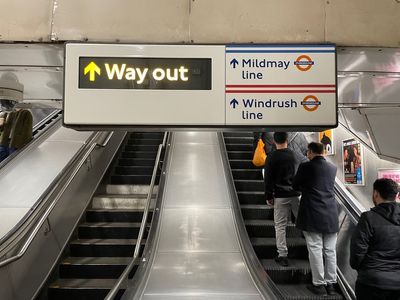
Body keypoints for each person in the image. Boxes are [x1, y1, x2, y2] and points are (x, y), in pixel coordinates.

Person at [293, 142, 338, 296]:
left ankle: (319, 285)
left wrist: (306, 189)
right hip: (331, 214)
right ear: (324, 152)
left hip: (312, 213)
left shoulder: (306, 166)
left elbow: (295, 185)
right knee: (330, 250)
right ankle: (331, 284)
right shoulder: (333, 168)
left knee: (315, 248)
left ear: (310, 152)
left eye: (308, 152)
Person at [350, 178, 400, 300]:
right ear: (396, 196)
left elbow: (357, 252)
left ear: (376, 193)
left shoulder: (368, 218)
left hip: (372, 282)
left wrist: (364, 269)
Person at [264, 132, 301, 267]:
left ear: (274, 141)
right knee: (303, 223)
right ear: (287, 139)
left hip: (280, 195)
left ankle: (283, 255)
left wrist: (268, 196)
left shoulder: (271, 157)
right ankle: (311, 249)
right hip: (296, 194)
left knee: (280, 226)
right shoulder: (295, 155)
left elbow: (268, 179)